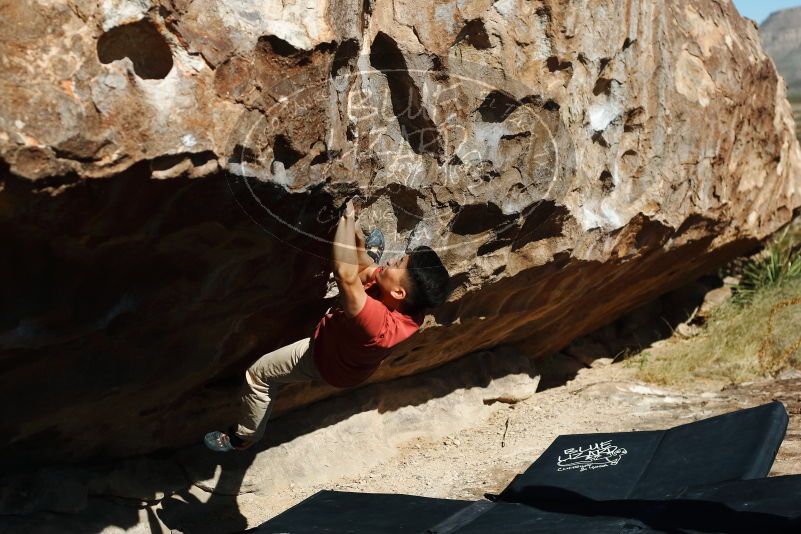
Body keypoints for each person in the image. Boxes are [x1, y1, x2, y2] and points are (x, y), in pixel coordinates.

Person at [204, 198, 451, 452]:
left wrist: (347, 218)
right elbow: (366, 270)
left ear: (399, 293)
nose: (392, 261)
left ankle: (245, 437)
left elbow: (345, 273)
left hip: (326, 360)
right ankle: (365, 249)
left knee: (259, 374)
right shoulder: (409, 303)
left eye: (398, 264)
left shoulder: (379, 326)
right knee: (364, 267)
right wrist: (357, 242)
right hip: (352, 350)